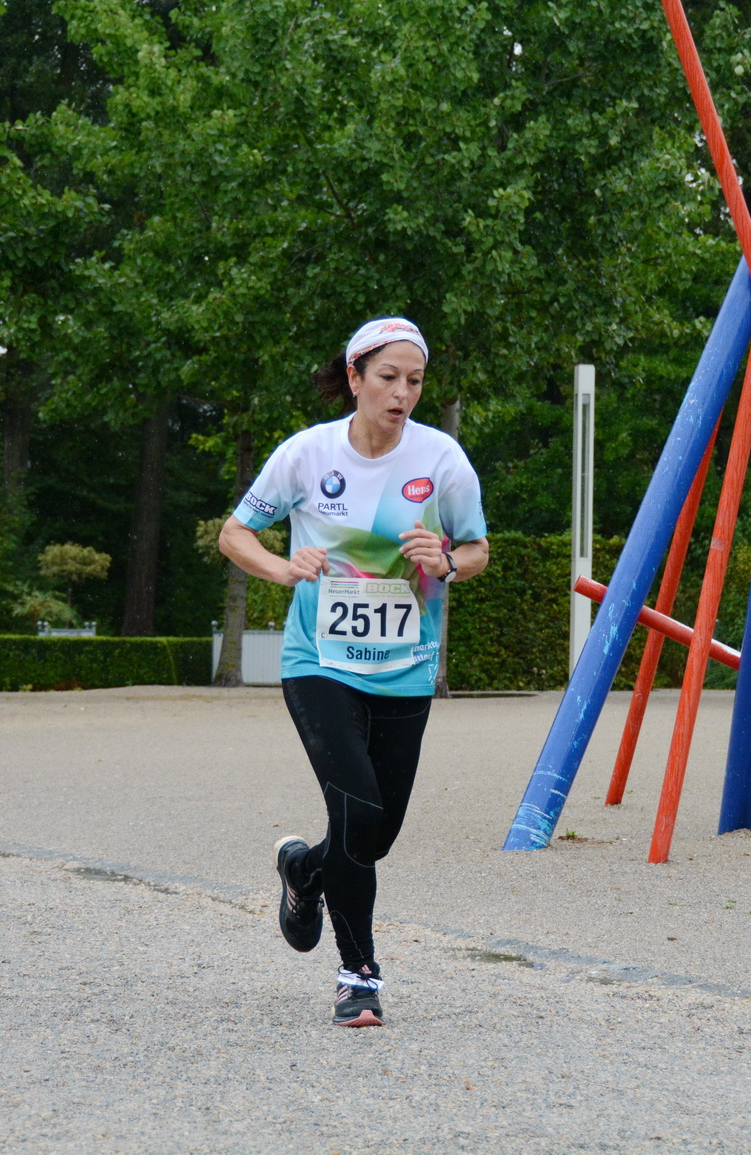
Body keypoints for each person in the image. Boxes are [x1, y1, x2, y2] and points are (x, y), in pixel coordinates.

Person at [218, 316, 488, 1027]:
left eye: (415, 381)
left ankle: (304, 872)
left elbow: (478, 548)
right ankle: (357, 975)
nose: (402, 394)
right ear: (355, 378)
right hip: (320, 664)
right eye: (389, 378)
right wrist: (283, 566)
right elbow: (234, 532)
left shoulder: (444, 460)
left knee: (374, 835)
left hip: (404, 669)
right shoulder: (307, 455)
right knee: (358, 809)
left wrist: (447, 560)